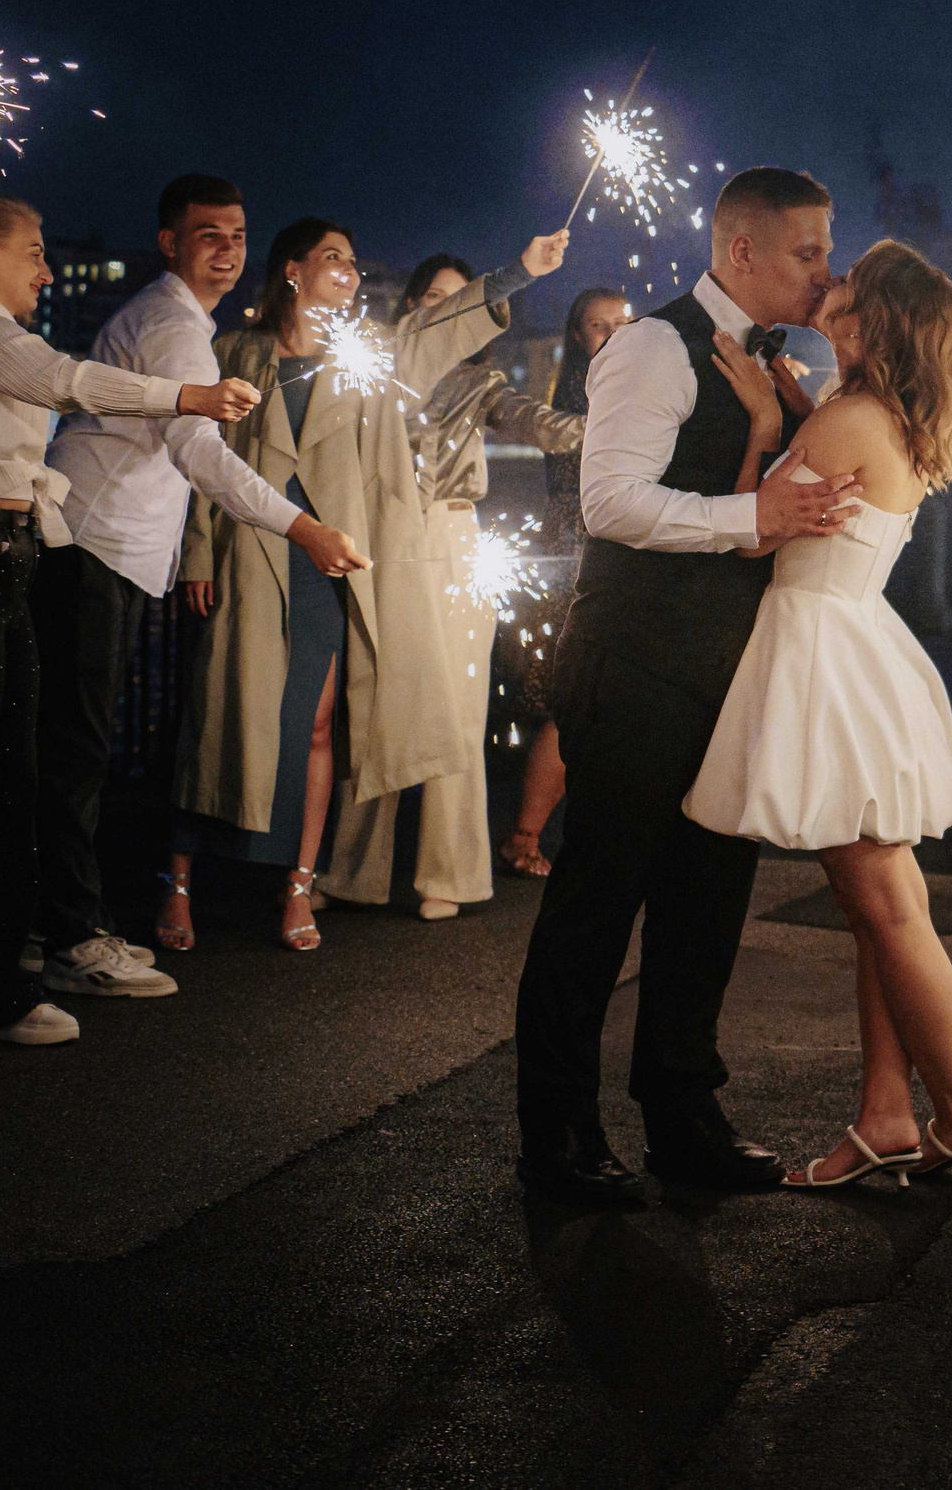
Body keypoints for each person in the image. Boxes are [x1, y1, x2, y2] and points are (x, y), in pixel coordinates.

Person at [511, 167, 861, 1208]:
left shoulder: (778, 367)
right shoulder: (654, 344)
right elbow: (611, 502)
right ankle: (558, 1128)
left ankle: (682, 1115)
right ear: (740, 250)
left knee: (708, 901)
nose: (823, 271)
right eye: (807, 251)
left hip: (726, 668)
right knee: (598, 897)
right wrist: (752, 520)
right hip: (633, 659)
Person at [683, 240, 952, 1186]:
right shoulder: (876, 413)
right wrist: (791, 394)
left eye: (848, 281)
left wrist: (754, 424)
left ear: (877, 319)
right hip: (858, 646)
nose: (831, 282)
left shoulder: (851, 416)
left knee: (889, 909)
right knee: (881, 911)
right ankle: (888, 1116)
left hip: (821, 654)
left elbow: (750, 537)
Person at [159, 218, 565, 953]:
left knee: (319, 726)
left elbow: (435, 329)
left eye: (353, 259)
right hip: (249, 553)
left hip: (332, 560)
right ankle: (179, 887)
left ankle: (297, 889)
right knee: (215, 714)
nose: (348, 270)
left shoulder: (367, 354)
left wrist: (517, 271)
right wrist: (196, 555)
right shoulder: (235, 352)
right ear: (292, 270)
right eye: (333, 258)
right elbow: (199, 464)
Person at [30, 175, 366, 1000]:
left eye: (238, 233)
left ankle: (46, 923)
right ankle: (67, 936)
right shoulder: (175, 325)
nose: (227, 246)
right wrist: (303, 527)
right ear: (169, 242)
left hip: (104, 546)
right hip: (92, 544)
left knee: (73, 746)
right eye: (208, 232)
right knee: (72, 752)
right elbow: (202, 455)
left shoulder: (186, 322)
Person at [0, 190, 258, 1059]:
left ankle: (2, 982)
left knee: (14, 774)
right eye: (32, 251)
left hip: (17, 549)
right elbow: (68, 380)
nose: (48, 268)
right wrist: (189, 396)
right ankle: (29, 960)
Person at [320, 256, 585, 920]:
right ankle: (354, 870)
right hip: (378, 538)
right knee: (373, 693)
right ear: (412, 307)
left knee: (456, 702)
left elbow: (539, 423)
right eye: (433, 299)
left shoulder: (480, 381)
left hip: (449, 539)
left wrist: (609, 428)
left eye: (457, 302)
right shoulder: (373, 377)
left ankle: (453, 871)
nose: (445, 313)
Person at [500, 287, 629, 879]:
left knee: (597, 703)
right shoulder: (587, 396)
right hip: (579, 557)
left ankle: (566, 836)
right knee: (570, 701)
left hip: (610, 554)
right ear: (578, 336)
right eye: (598, 326)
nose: (612, 335)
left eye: (622, 324)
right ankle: (524, 836)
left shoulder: (625, 383)